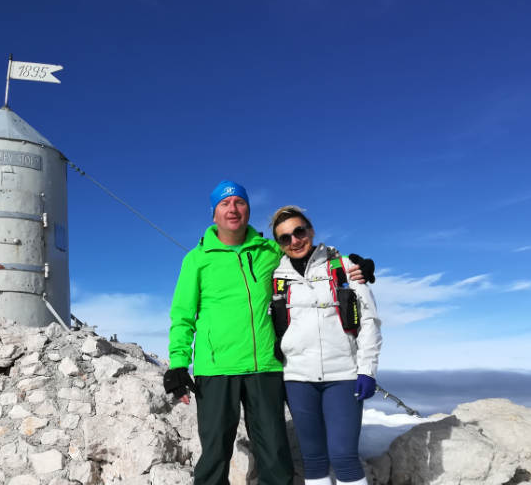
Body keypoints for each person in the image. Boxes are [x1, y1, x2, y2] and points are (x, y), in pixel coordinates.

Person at [163, 181, 375, 485]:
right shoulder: (197, 259)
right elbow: (182, 315)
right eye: (224, 203)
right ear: (214, 214)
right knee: (214, 454)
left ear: (248, 209)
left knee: (275, 456)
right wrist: (178, 363)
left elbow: (305, 253)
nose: (232, 209)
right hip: (216, 368)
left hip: (266, 366)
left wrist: (354, 266)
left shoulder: (270, 251)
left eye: (239, 202)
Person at [268, 205, 382, 485]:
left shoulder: (344, 267)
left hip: (342, 375)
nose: (294, 241)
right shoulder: (276, 277)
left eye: (299, 231)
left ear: (311, 231)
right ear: (279, 244)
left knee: (344, 457)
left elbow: (369, 321)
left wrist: (367, 370)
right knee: (313, 459)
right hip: (297, 378)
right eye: (285, 238)